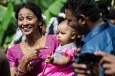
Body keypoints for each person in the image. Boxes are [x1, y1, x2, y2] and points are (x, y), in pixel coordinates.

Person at [6, 2, 59, 76]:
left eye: (29, 18)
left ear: (40, 21)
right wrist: (24, 61)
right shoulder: (12, 52)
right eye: (21, 19)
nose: (24, 23)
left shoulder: (55, 40)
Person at [64, 0, 115, 76]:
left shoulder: (90, 51)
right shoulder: (112, 28)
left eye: (69, 20)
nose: (68, 24)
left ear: (82, 19)